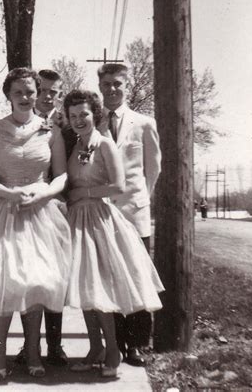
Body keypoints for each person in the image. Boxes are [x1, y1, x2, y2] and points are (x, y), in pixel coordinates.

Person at [0, 67, 72, 380]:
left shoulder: (50, 130)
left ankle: (33, 351)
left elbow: (60, 175)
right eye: (18, 92)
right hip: (4, 211)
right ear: (8, 95)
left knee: (36, 284)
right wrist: (10, 193)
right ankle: (0, 352)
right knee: (3, 283)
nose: (25, 97)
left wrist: (44, 194)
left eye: (30, 91)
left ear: (38, 93)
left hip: (41, 213)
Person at [64, 89, 164, 379]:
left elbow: (120, 186)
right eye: (73, 116)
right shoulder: (75, 145)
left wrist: (86, 191)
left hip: (99, 219)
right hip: (76, 221)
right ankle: (94, 347)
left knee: (99, 288)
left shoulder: (105, 144)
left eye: (84, 113)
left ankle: (112, 350)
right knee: (82, 287)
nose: (79, 119)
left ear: (94, 114)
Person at [97, 63, 162, 367]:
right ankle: (116, 343)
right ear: (100, 87)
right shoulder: (94, 124)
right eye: (106, 84)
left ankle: (136, 345)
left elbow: (153, 168)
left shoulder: (143, 123)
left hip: (133, 213)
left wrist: (139, 199)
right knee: (111, 279)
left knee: (136, 277)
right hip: (103, 215)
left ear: (127, 86)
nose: (111, 89)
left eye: (117, 84)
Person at [15, 69, 69, 367]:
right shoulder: (21, 120)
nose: (49, 96)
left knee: (53, 279)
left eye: (55, 92)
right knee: (28, 280)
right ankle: (28, 344)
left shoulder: (67, 124)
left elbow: (67, 169)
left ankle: (56, 344)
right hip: (26, 207)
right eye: (44, 90)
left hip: (57, 209)